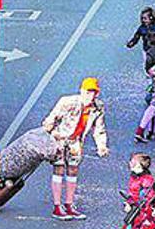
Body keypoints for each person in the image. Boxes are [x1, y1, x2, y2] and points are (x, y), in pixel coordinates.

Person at [42, 77, 110, 220]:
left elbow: (99, 129)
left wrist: (101, 146)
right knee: (59, 169)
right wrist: (50, 133)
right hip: (59, 139)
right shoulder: (67, 102)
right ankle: (57, 206)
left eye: (93, 92)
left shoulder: (98, 108)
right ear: (82, 91)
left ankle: (69, 205)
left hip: (75, 141)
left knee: (73, 170)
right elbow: (51, 119)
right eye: (88, 92)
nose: (90, 96)